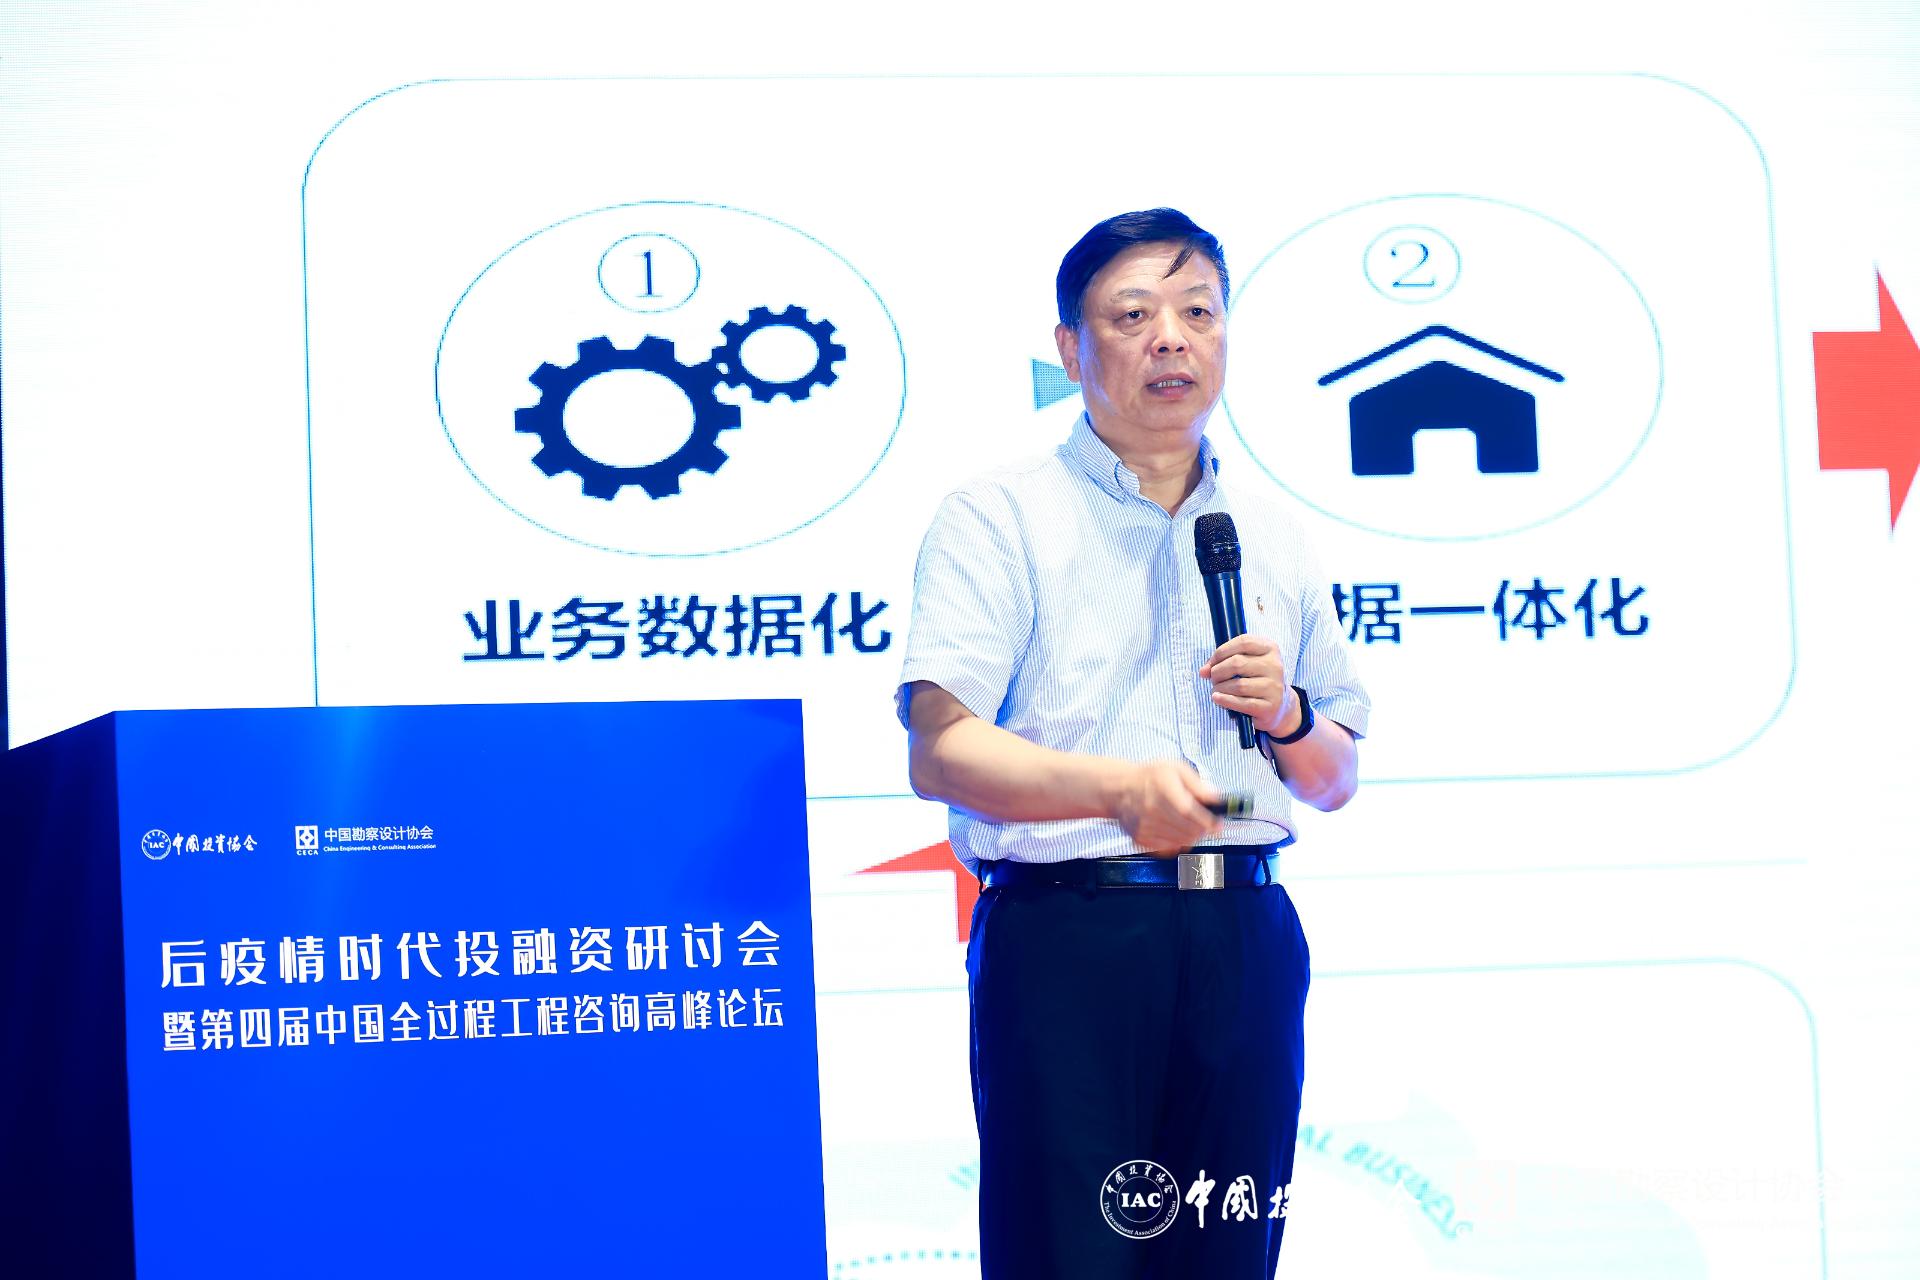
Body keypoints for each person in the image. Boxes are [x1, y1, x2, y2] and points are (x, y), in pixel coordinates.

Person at [894, 208, 1372, 1278]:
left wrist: (1290, 714)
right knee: (1071, 1255)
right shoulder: (998, 516)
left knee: (1226, 1255)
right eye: (1133, 315)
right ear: (1071, 350)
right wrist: (1116, 791)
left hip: (1246, 933)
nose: (1172, 339)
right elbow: (941, 750)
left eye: (1199, 312)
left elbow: (1334, 776)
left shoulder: (1273, 533)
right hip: (1072, 937)